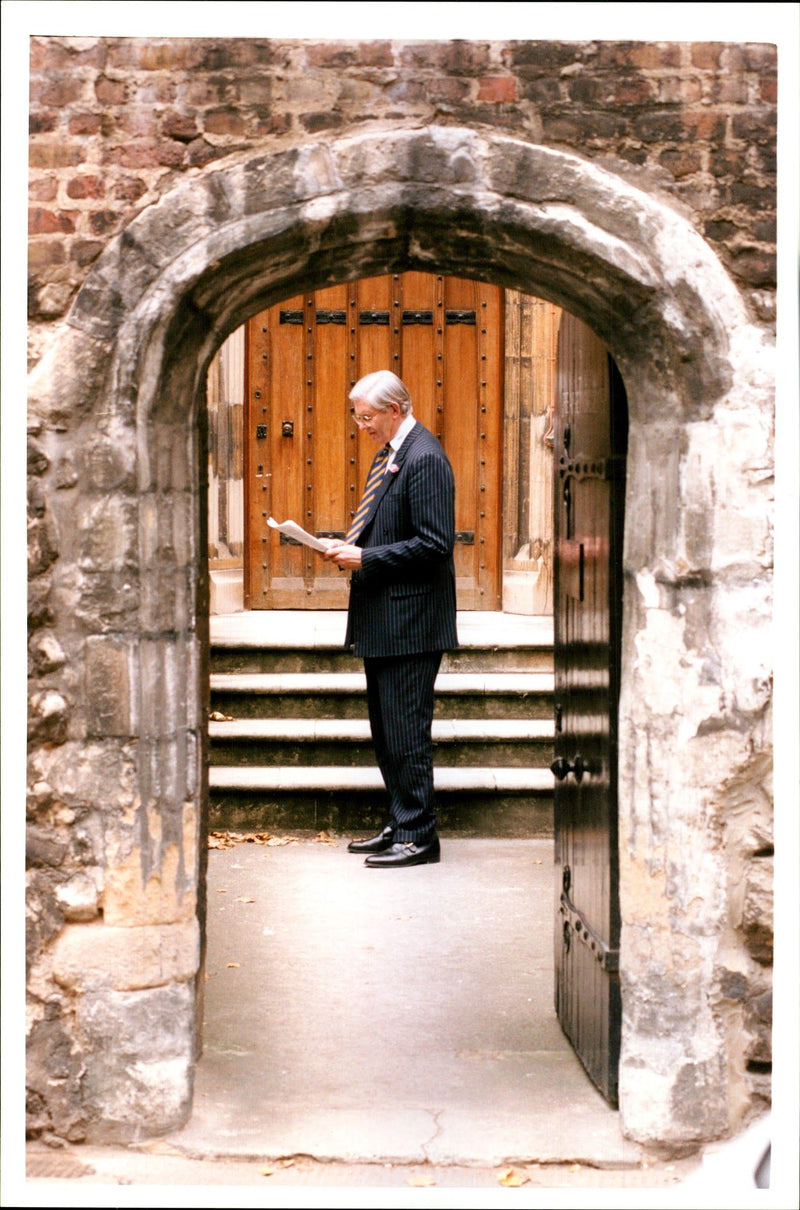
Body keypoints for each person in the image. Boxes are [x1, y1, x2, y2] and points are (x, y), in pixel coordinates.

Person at [322, 370, 458, 868]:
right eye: (358, 417)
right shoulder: (394, 455)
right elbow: (394, 529)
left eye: (367, 416)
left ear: (394, 410)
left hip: (412, 622)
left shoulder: (424, 458)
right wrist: (350, 547)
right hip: (387, 620)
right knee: (387, 732)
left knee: (406, 732)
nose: (362, 426)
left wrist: (366, 560)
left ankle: (420, 836)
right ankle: (401, 822)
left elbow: (435, 543)